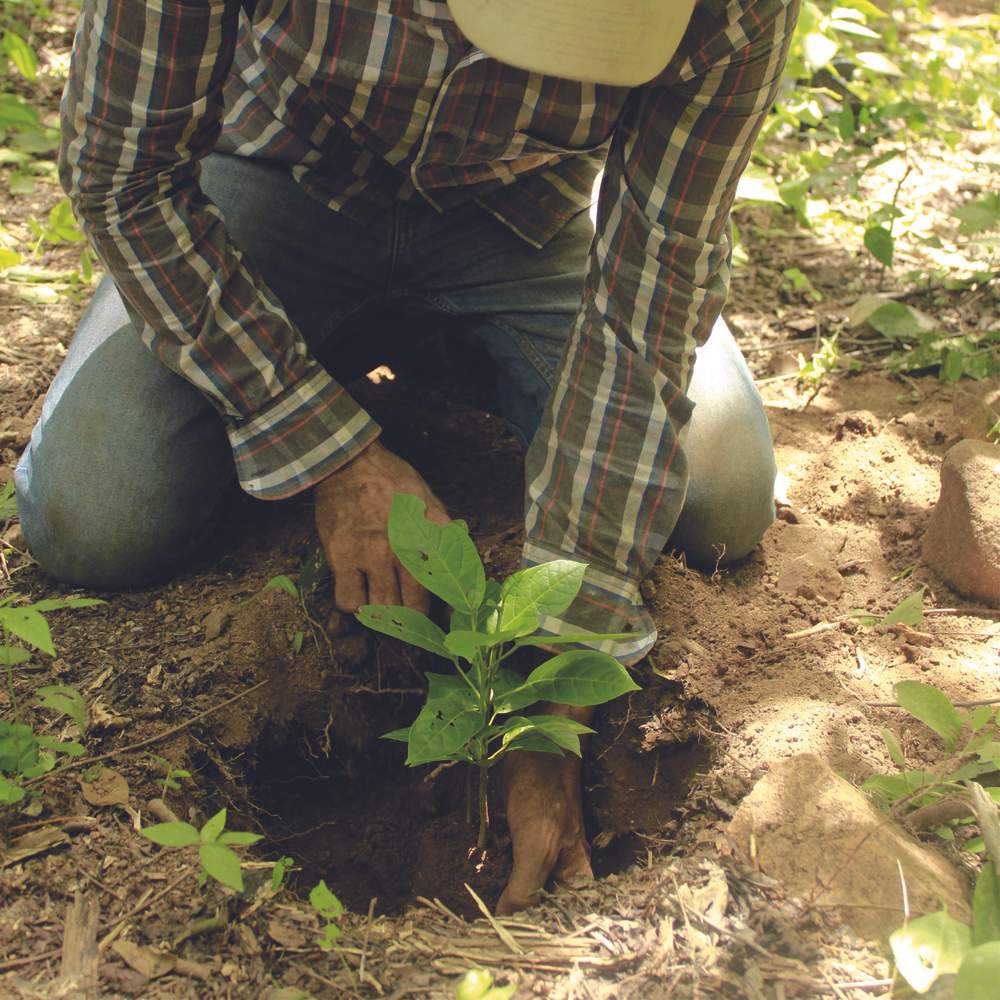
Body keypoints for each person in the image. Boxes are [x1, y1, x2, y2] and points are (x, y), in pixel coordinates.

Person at [16, 0, 798, 913]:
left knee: (721, 495)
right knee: (98, 513)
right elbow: (121, 176)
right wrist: (323, 446)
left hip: (532, 210)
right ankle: (331, 355)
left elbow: (653, 287)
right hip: (272, 180)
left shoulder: (734, 11)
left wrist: (553, 687)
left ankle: (440, 350)